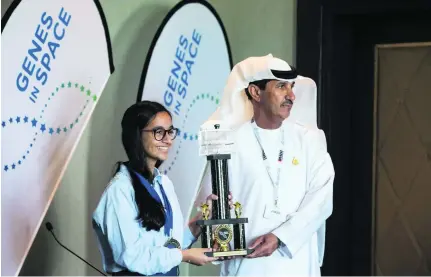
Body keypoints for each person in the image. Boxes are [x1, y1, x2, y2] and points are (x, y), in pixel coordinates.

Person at [195, 54, 335, 276]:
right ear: (255, 92)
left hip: (297, 261)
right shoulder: (228, 143)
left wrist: (281, 237)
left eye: (292, 87)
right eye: (281, 87)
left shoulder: (309, 140)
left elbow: (322, 199)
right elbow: (209, 205)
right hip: (247, 265)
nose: (291, 95)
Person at [92, 101, 223, 276]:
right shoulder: (119, 190)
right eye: (159, 132)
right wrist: (185, 256)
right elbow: (132, 256)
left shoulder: (164, 183)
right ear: (137, 135)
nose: (168, 140)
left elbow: (170, 245)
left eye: (170, 132)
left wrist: (202, 220)